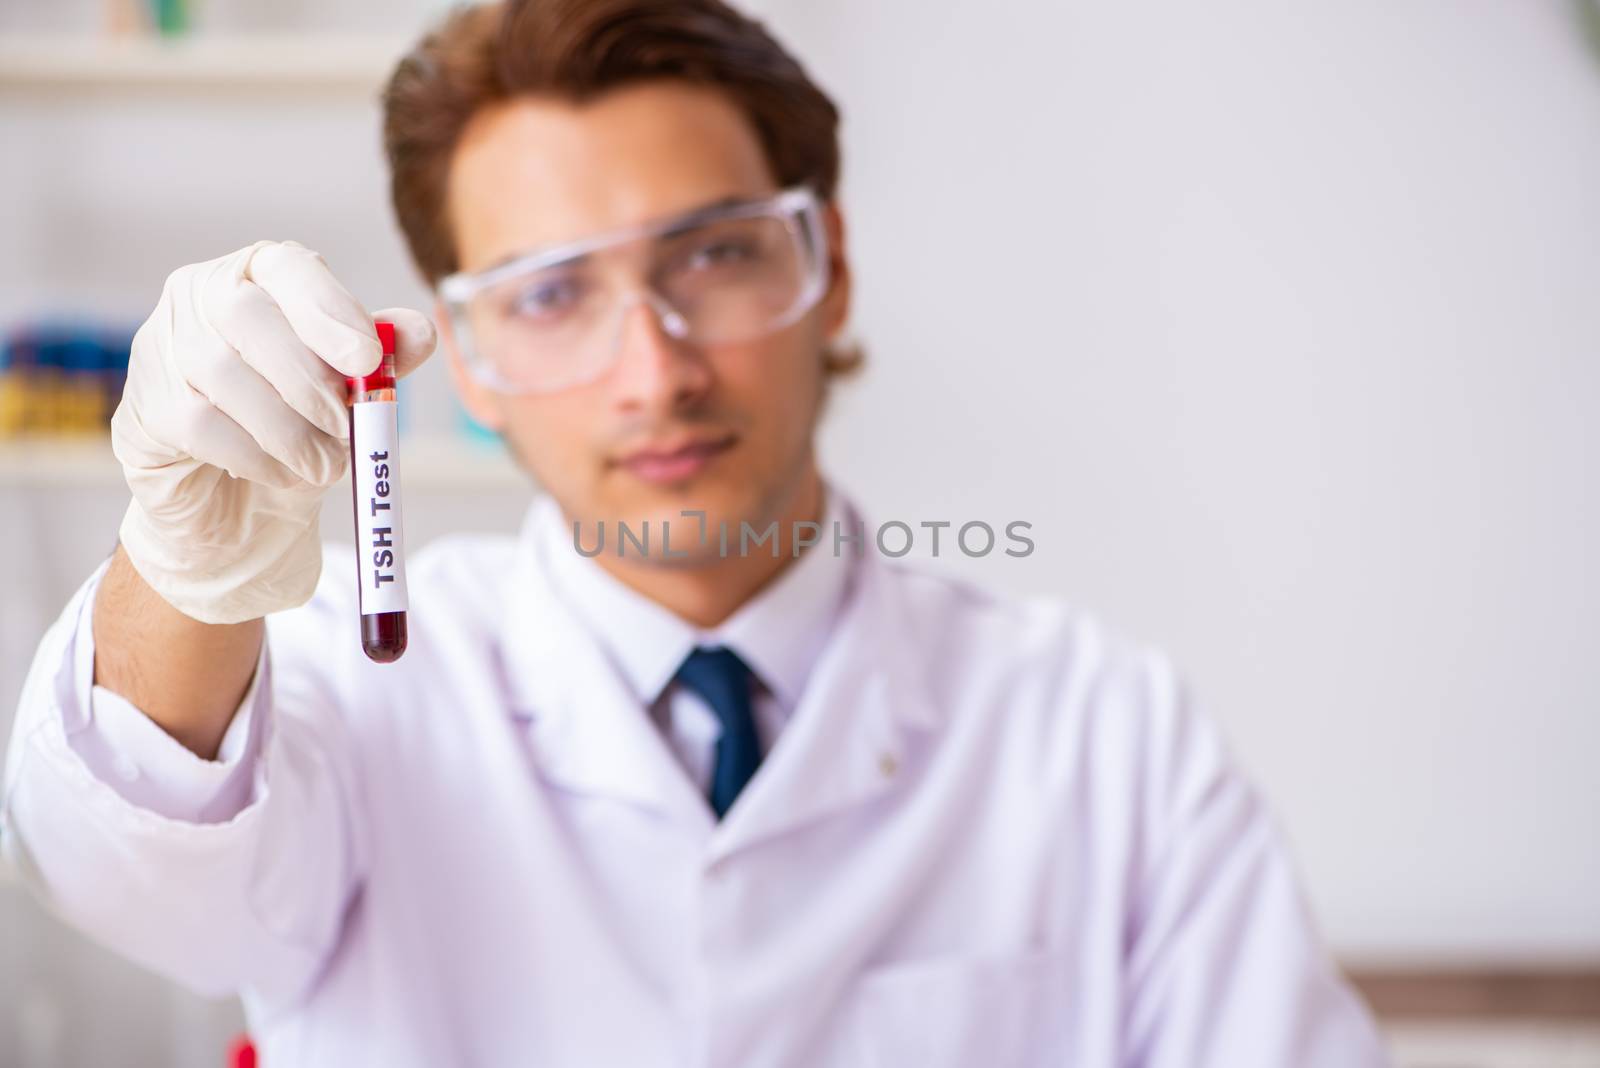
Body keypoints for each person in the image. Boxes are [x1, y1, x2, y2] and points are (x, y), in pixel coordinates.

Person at [0, 1, 1390, 1064]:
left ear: (827, 267)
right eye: (551, 296)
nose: (654, 371)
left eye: (714, 256)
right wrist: (183, 573)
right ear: (463, 359)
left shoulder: (1104, 737)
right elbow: (126, 875)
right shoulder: (364, 695)